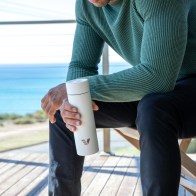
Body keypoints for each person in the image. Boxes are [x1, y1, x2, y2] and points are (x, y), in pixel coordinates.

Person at [41, 0, 196, 195]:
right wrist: (70, 101)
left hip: (178, 90)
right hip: (163, 93)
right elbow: (82, 65)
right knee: (64, 112)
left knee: (154, 108)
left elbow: (157, 78)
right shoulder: (87, 4)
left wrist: (80, 89)